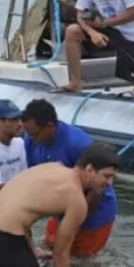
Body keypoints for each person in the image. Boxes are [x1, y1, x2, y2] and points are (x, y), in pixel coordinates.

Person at [0, 143, 120, 267]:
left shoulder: (53, 167)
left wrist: (33, 250)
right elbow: (60, 255)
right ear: (89, 170)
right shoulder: (76, 201)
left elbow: (19, 210)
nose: (109, 183)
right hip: (1, 239)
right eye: (106, 176)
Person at [19, 98, 117, 256]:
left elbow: (97, 189)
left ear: (50, 126)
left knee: (80, 262)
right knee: (48, 250)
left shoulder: (78, 144)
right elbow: (34, 180)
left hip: (95, 212)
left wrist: (72, 227)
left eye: (35, 134)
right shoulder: (30, 141)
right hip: (61, 210)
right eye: (28, 134)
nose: (32, 139)